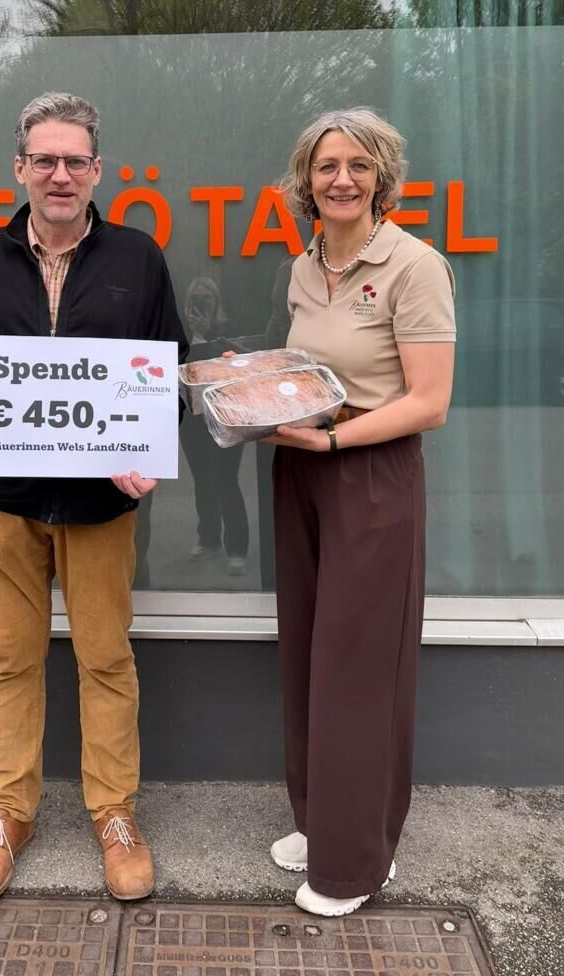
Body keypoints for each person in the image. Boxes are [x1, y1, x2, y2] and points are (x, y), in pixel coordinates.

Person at [0, 91, 188, 904]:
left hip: (99, 507)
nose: (60, 174)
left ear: (97, 170)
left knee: (106, 659)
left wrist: (146, 446)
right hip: (4, 501)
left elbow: (170, 373)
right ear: (21, 168)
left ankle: (114, 813)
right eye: (45, 160)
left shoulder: (139, 259)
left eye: (75, 160)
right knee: (12, 660)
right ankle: (10, 813)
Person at [265, 107, 456, 916]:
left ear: (382, 178)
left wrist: (337, 441)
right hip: (302, 469)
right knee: (311, 652)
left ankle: (356, 863)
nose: (341, 179)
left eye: (358, 165)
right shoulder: (304, 266)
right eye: (326, 166)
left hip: (369, 473)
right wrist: (252, 385)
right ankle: (322, 821)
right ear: (305, 181)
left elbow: (430, 402)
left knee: (359, 665)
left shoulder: (414, 265)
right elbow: (311, 371)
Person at [180, 276, 249, 576]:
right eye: (195, 298)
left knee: (226, 479)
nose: (200, 303)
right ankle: (208, 539)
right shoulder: (180, 331)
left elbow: (237, 364)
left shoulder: (230, 329)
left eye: (206, 298)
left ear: (217, 300)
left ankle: (237, 547)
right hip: (192, 416)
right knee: (202, 479)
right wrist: (192, 332)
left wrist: (209, 332)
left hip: (226, 413)